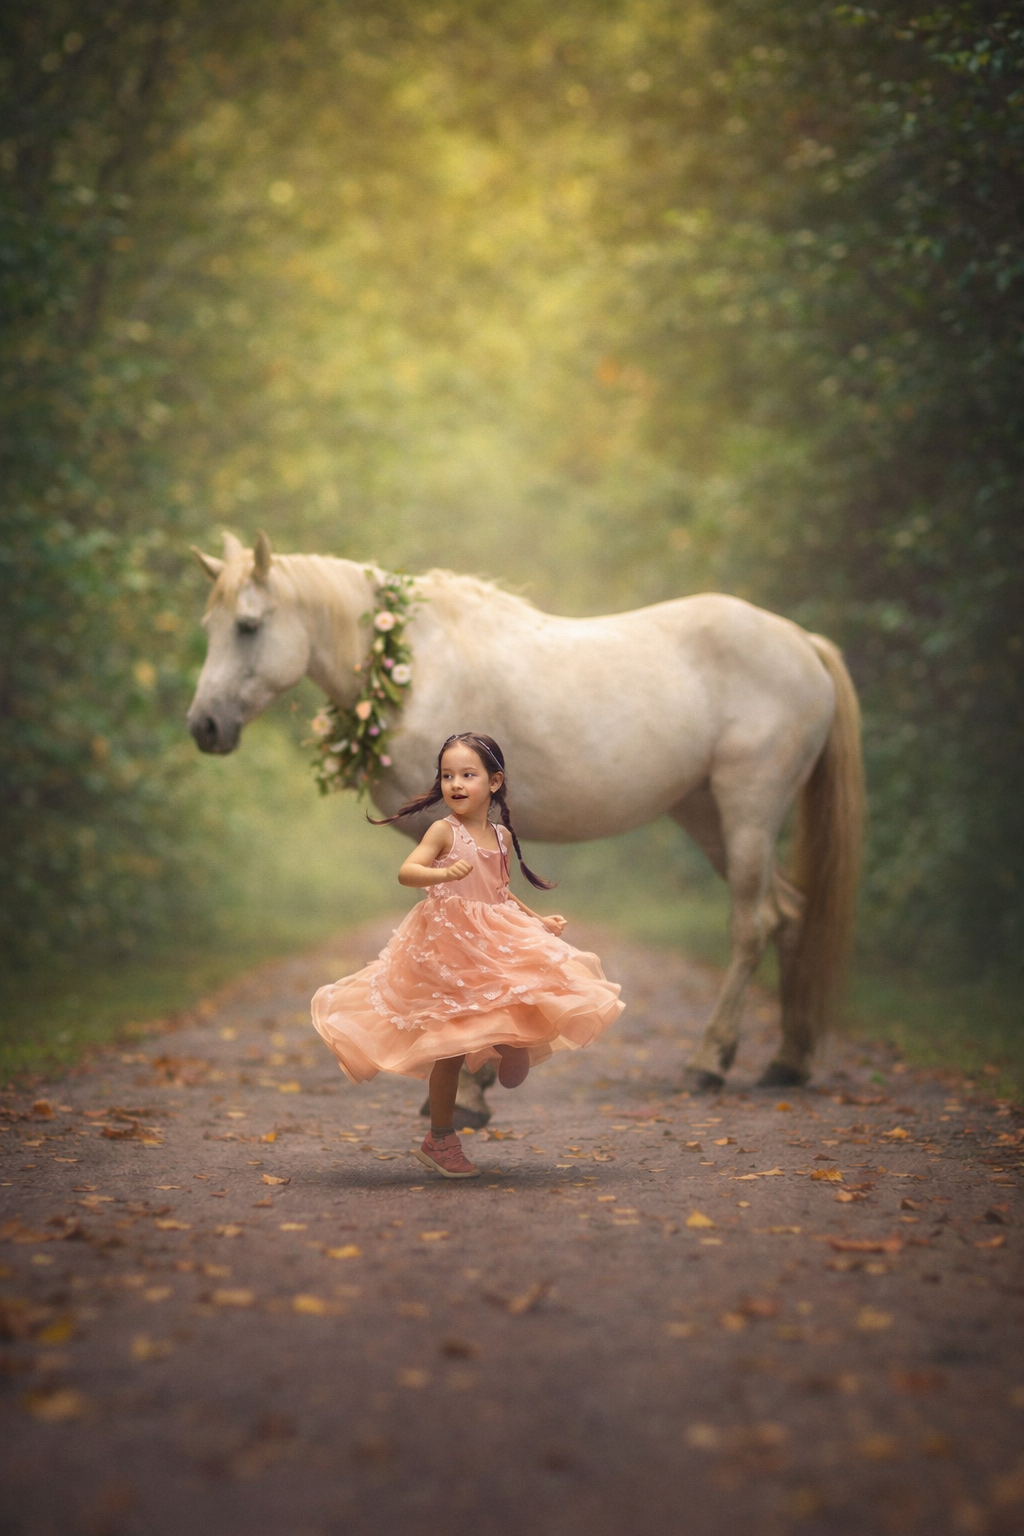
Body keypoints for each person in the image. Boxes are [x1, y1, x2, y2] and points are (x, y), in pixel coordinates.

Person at [311, 732, 624, 1179]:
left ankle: (510, 1045)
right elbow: (406, 871)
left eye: (467, 775)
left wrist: (538, 920)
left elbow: (500, 892)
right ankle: (441, 1138)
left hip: (492, 935)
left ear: (494, 783)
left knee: (525, 989)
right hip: (447, 946)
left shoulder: (499, 835)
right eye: (447, 776)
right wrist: (442, 870)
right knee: (450, 1047)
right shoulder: (444, 831)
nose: (455, 784)